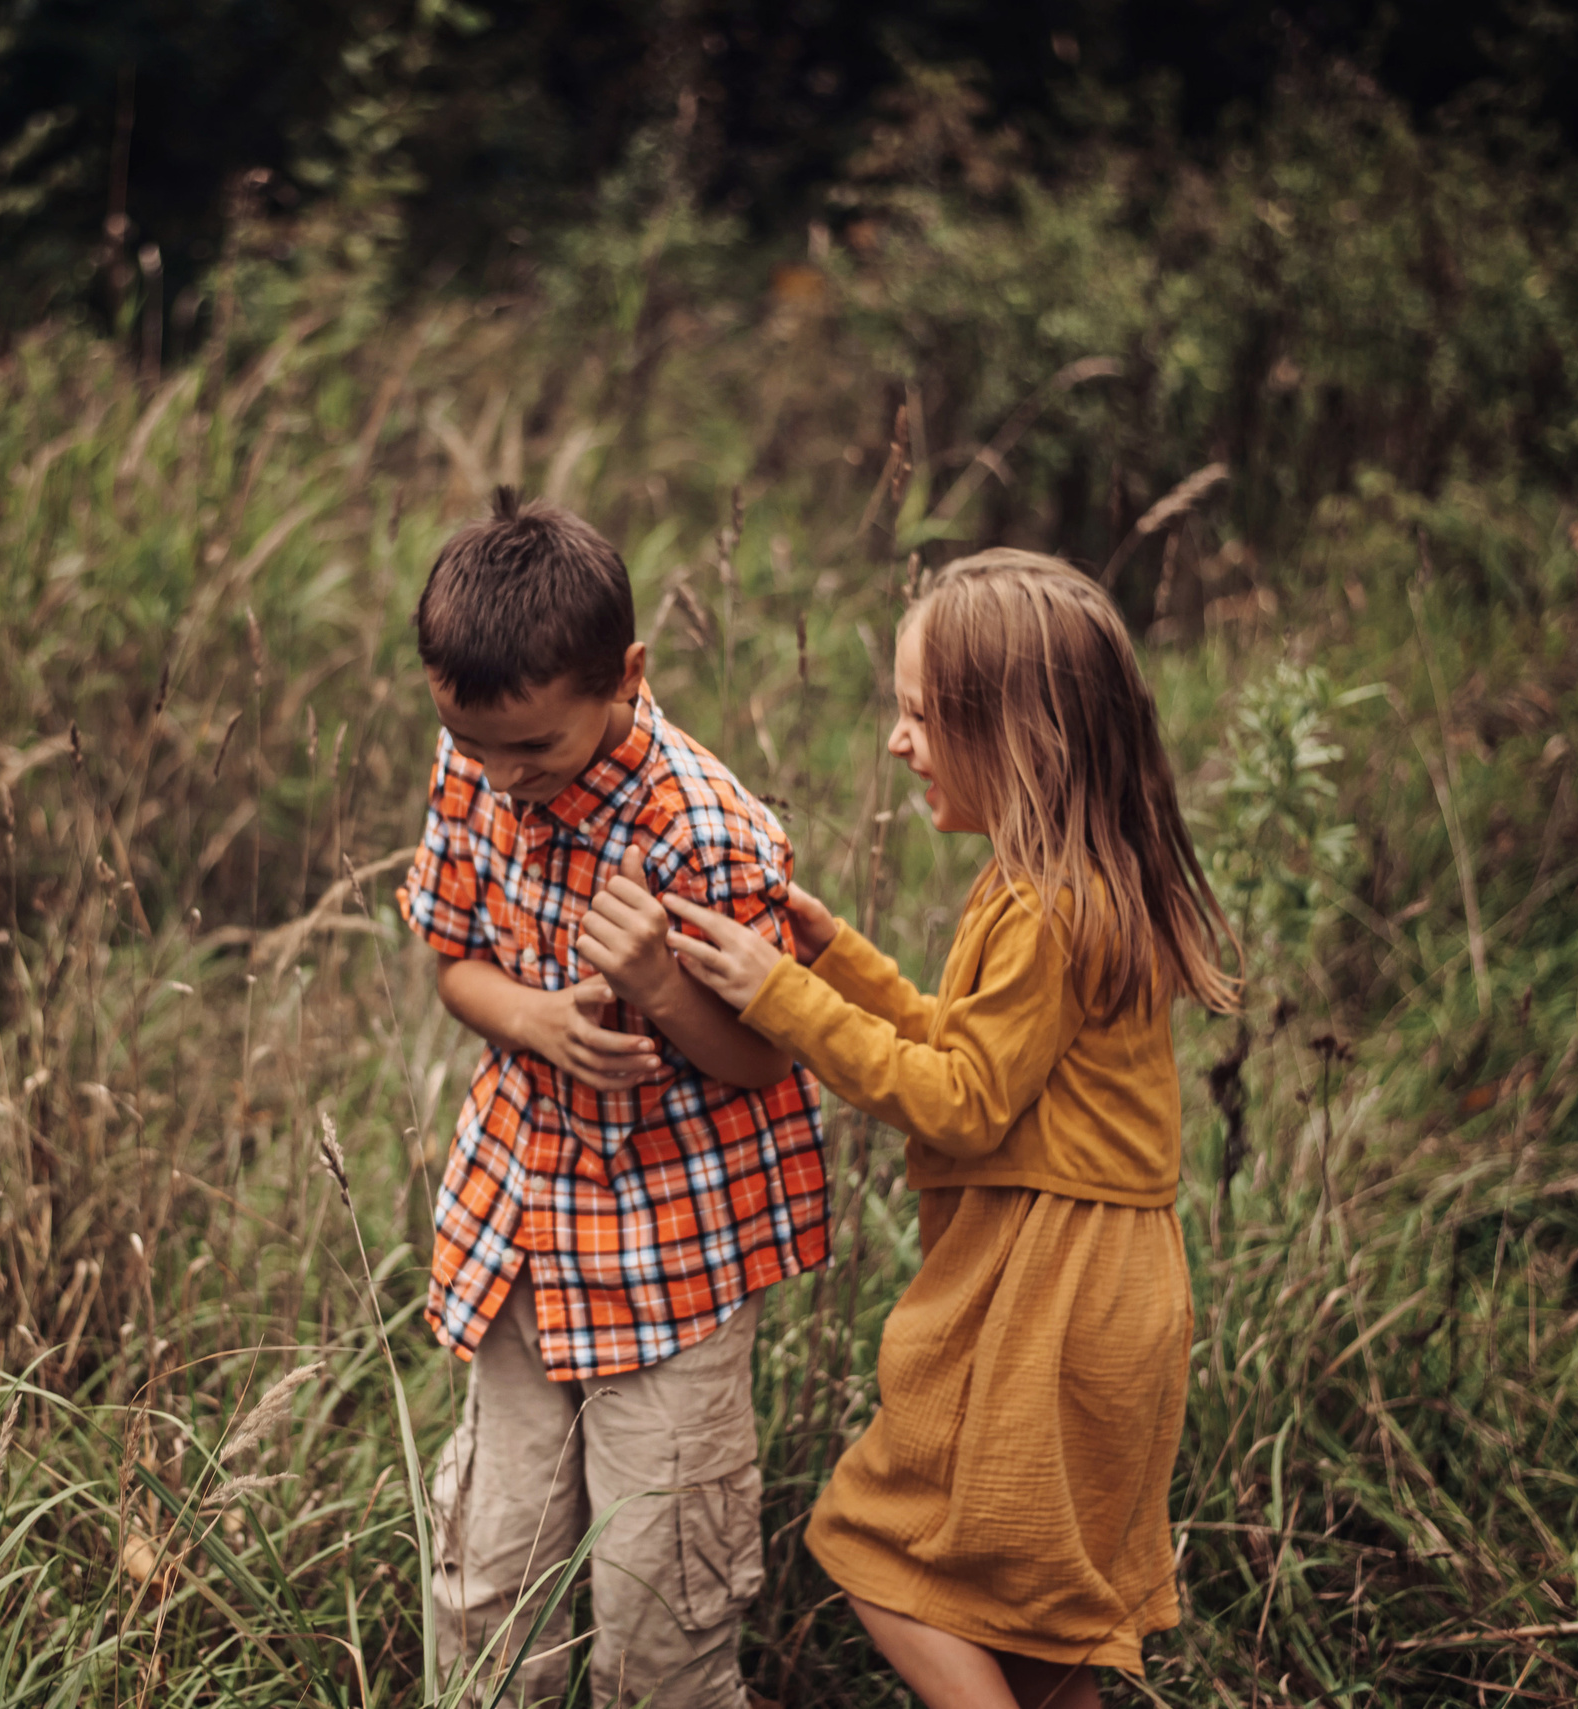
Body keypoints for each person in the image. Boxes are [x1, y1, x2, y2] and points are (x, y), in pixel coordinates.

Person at [660, 550, 1240, 1709]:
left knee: (872, 1540)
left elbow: (962, 1100)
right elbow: (975, 1050)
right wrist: (837, 959)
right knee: (1040, 1620)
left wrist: (782, 996)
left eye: (921, 714)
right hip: (1113, 1280)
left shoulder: (1041, 904)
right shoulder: (1074, 880)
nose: (897, 741)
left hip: (1052, 1288)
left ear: (1016, 735)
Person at [396, 486, 830, 1709]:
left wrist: (659, 986)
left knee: (660, 1605)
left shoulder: (703, 831)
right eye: (471, 741)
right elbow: (453, 962)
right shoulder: (477, 757)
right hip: (525, 1231)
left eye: (532, 749)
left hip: (674, 1262)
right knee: (491, 1576)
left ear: (626, 675)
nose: (500, 777)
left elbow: (766, 1061)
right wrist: (536, 1018)